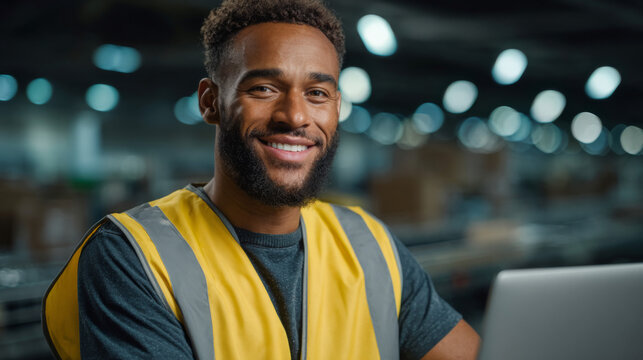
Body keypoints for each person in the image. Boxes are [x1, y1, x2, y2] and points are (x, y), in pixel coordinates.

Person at [42, 0, 480, 359]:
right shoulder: (132, 258)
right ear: (211, 102)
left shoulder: (370, 246)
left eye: (318, 94)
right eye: (264, 89)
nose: (295, 116)